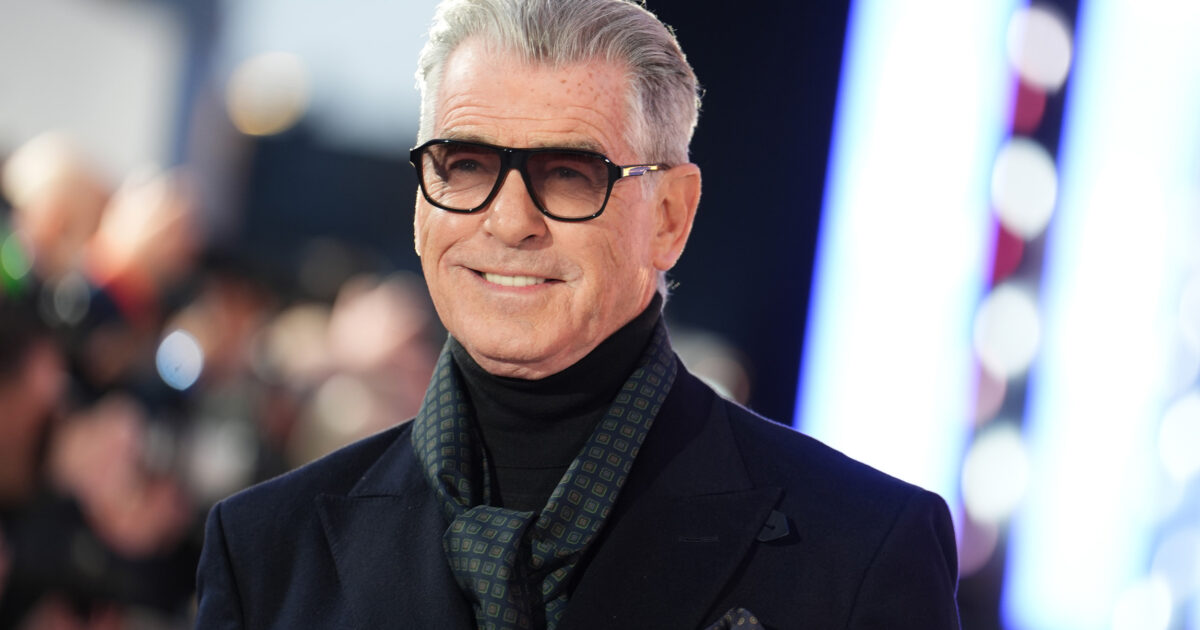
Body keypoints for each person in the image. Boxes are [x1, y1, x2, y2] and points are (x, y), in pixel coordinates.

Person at [194, 0, 960, 628]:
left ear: (671, 217)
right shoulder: (265, 552)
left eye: (568, 174)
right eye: (467, 165)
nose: (509, 221)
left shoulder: (860, 552)